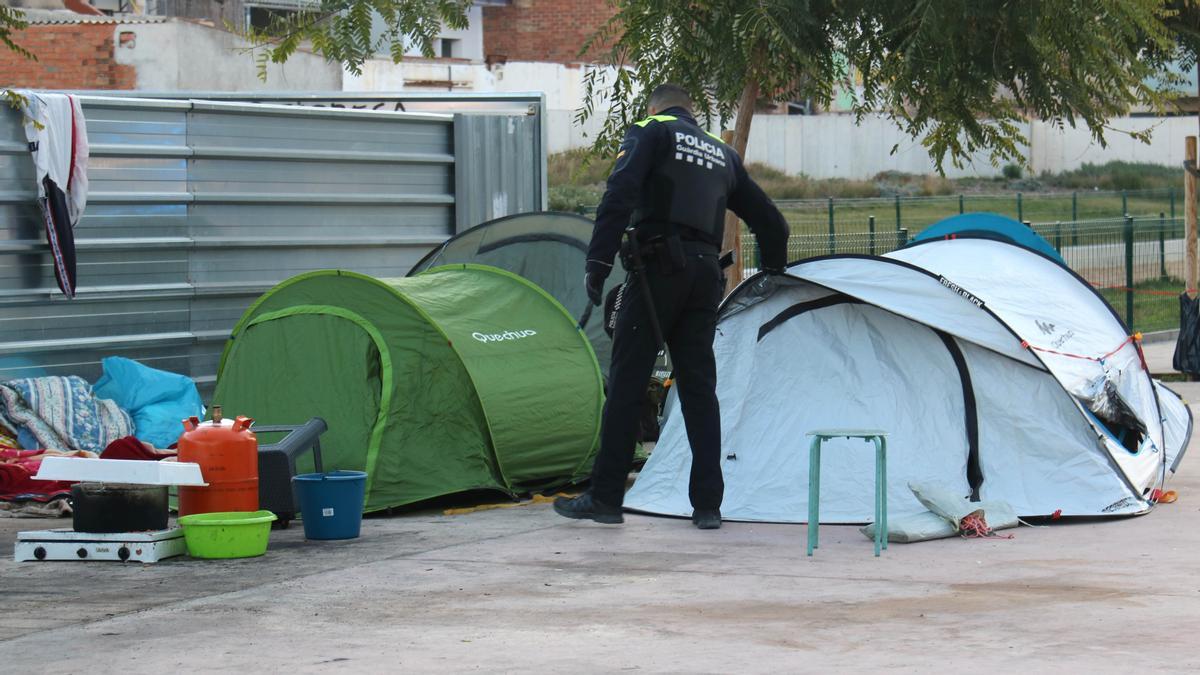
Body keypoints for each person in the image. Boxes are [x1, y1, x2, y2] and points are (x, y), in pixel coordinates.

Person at [554, 83, 790, 530]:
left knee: (627, 379)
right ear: (692, 110)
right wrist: (774, 269)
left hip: (658, 269)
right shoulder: (722, 153)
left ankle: (605, 497)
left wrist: (597, 263)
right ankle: (707, 506)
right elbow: (770, 220)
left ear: (655, 106)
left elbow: (619, 194)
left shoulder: (651, 130)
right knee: (699, 388)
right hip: (705, 275)